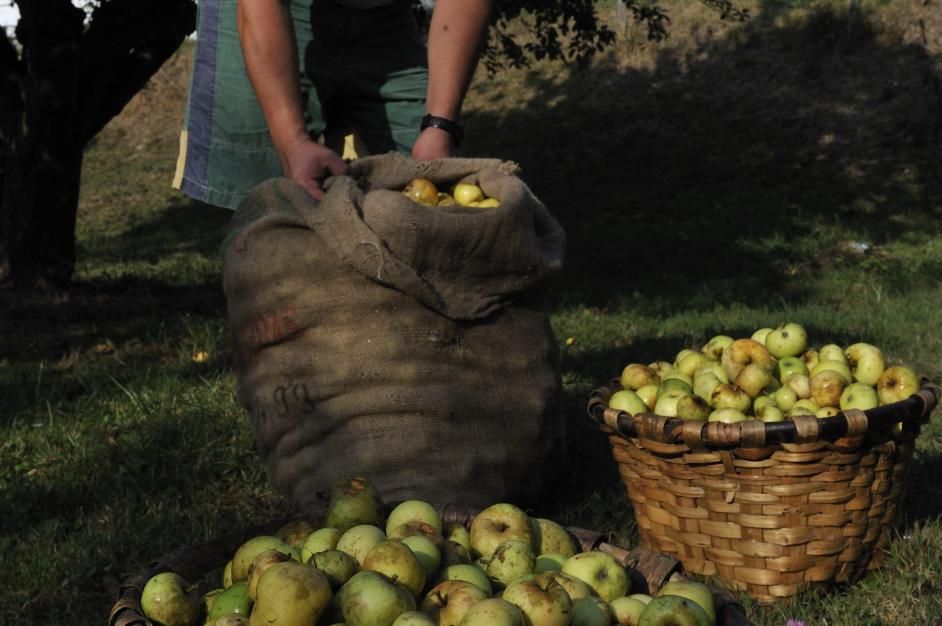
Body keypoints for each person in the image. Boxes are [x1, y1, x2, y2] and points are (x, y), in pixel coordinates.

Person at [172, 0, 492, 208]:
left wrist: (440, 125)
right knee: (272, 210)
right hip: (272, 10)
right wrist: (292, 141)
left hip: (386, 16)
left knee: (435, 191)